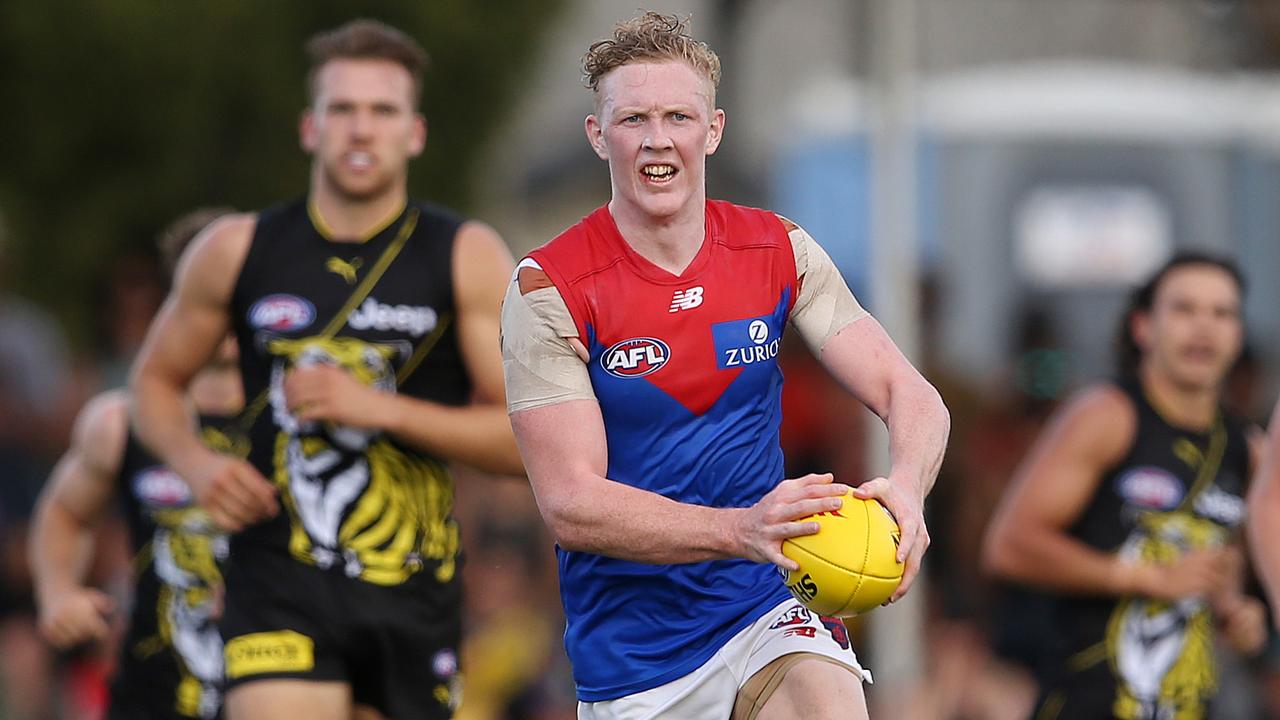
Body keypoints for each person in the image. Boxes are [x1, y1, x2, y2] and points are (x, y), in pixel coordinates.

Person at [499, 12, 949, 720]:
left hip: (766, 607)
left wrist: (908, 493)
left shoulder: (780, 249)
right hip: (635, 657)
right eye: (633, 119)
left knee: (826, 698)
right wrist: (742, 530)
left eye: (679, 116)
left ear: (712, 130)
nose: (657, 141)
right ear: (597, 135)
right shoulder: (547, 287)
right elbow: (570, 505)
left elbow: (910, 393)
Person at [129, 19, 520, 720]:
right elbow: (152, 383)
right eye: (342, 109)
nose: (361, 129)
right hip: (276, 578)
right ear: (310, 128)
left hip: (411, 585)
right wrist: (198, 465)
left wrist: (382, 409)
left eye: (382, 111)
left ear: (415, 132)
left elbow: (526, 442)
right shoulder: (236, 249)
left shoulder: (466, 256)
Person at [982, 252, 1267, 719]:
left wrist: (1239, 615)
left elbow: (1225, 568)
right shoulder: (1106, 416)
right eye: (1184, 309)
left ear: (1238, 334)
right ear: (1142, 327)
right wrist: (1143, 576)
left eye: (1221, 313)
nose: (1204, 328)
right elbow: (1007, 546)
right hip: (1086, 702)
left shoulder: (1245, 450)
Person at [31, 208, 241, 720]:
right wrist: (59, 594)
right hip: (152, 698)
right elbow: (64, 513)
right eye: (213, 294)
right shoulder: (121, 424)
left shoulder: (307, 421)